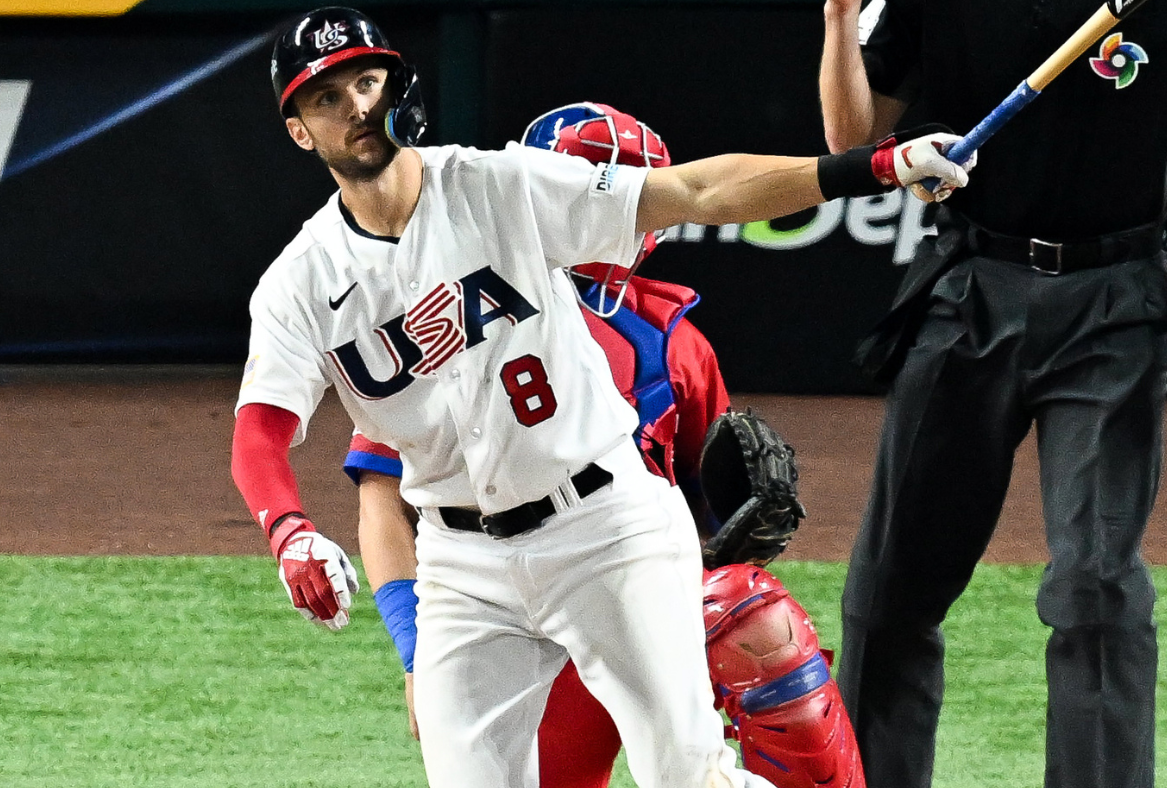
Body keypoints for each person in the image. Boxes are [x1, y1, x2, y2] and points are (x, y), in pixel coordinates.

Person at [231, 7, 970, 786]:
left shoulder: (497, 185)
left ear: (399, 86)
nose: (355, 107)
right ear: (300, 132)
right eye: (326, 98)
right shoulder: (300, 282)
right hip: (462, 566)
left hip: (604, 528)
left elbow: (694, 190)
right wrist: (287, 529)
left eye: (368, 81)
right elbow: (260, 430)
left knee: (685, 773)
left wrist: (873, 168)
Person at [346, 102, 867, 788]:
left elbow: (702, 513)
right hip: (510, 613)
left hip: (626, 594)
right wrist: (416, 653)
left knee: (751, 615)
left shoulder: (675, 342)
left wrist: (731, 547)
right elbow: (384, 499)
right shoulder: (447, 316)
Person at [819, 2, 1167, 787]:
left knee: (1097, 588)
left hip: (1116, 308)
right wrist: (840, 18)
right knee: (888, 592)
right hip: (969, 290)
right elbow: (853, 138)